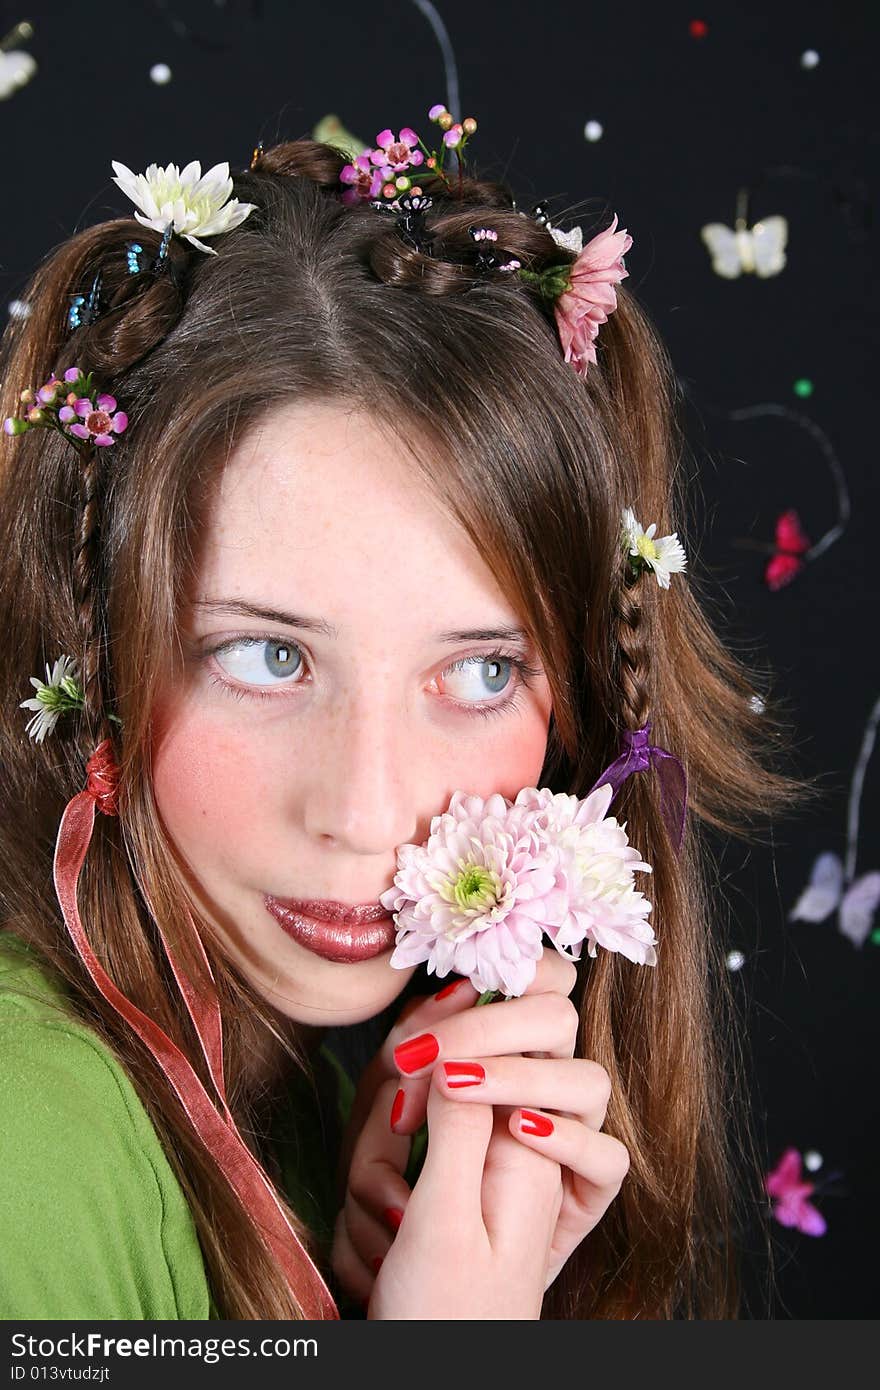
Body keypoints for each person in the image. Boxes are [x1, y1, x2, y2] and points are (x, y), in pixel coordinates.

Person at [0, 118, 815, 1321]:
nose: (372, 811)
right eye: (267, 657)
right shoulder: (32, 1142)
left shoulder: (307, 1093)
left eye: (481, 672)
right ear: (93, 652)